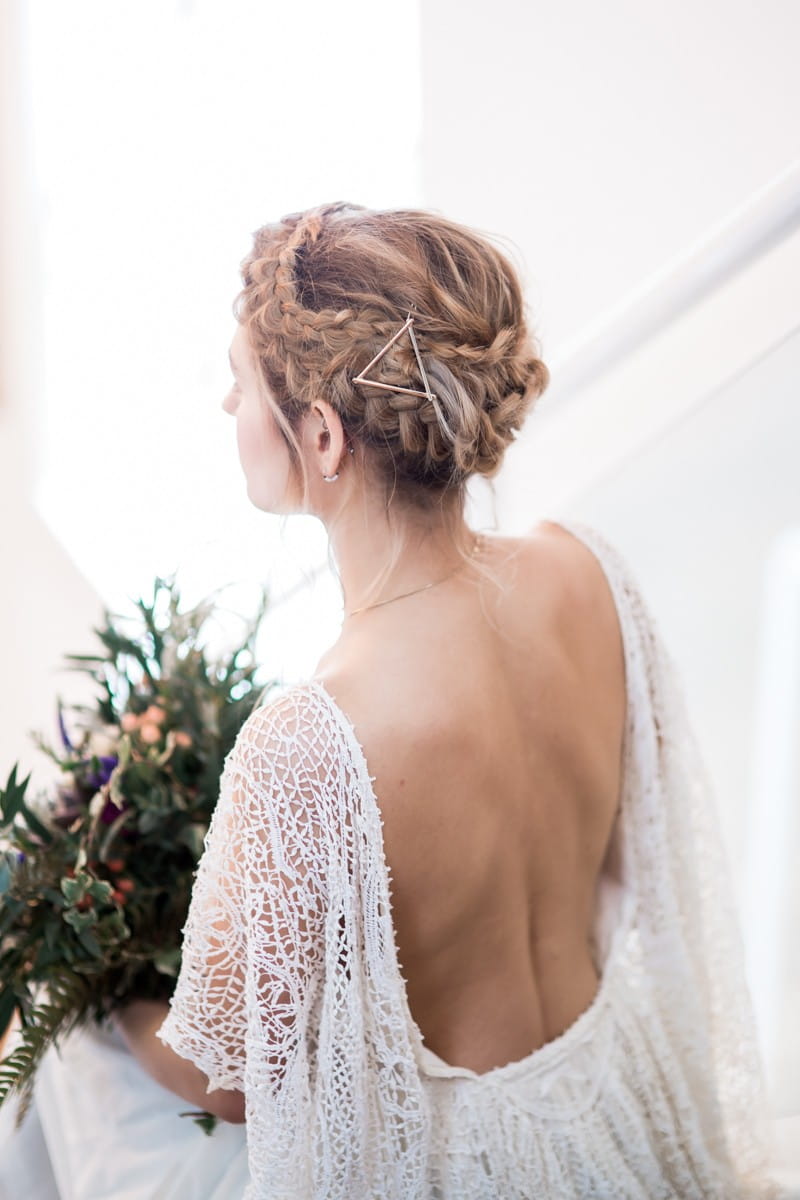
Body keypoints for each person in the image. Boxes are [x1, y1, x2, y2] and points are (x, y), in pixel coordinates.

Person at [116, 201, 778, 1198]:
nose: (224, 407)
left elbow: (229, 1077)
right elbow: (625, 868)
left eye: (240, 382)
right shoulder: (585, 573)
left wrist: (107, 998)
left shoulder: (311, 737)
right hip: (622, 1120)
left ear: (326, 438)